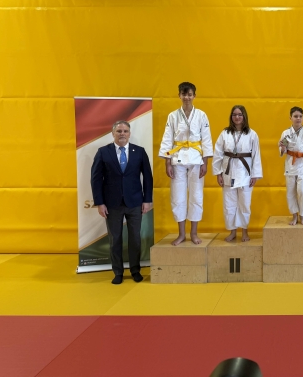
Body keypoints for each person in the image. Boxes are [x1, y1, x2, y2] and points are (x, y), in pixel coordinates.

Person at [91, 121, 153, 284]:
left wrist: (147, 200)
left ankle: (135, 270)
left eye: (125, 131)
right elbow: (96, 179)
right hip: (112, 204)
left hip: (135, 203)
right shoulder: (103, 152)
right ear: (113, 133)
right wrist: (100, 203)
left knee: (135, 239)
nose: (122, 134)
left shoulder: (139, 152)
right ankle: (118, 272)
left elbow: (148, 177)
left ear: (129, 134)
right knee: (115, 239)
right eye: (119, 131)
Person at [159, 82, 213, 246]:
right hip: (178, 158)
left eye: (190, 94)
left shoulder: (201, 115)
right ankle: (181, 234)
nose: (187, 97)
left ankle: (193, 233)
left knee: (196, 196)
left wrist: (205, 162)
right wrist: (167, 163)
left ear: (194, 96)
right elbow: (167, 139)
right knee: (178, 197)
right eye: (184, 94)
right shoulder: (173, 116)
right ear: (179, 95)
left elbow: (206, 139)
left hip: (196, 158)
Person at [213, 105, 263, 242]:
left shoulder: (252, 134)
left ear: (244, 116)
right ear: (231, 117)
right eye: (234, 114)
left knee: (244, 204)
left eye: (240, 114)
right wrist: (218, 173)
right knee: (229, 204)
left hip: (245, 173)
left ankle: (245, 231)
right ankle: (233, 232)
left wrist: (255, 175)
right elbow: (218, 153)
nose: (237, 117)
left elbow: (256, 155)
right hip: (228, 172)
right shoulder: (225, 133)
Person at [278, 106, 303, 226]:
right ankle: (294, 216)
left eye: (300, 116)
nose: (298, 118)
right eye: (295, 116)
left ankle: (302, 215)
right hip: (290, 165)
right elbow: (282, 150)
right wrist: (282, 148)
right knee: (290, 192)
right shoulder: (286, 133)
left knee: (302, 191)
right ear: (290, 118)